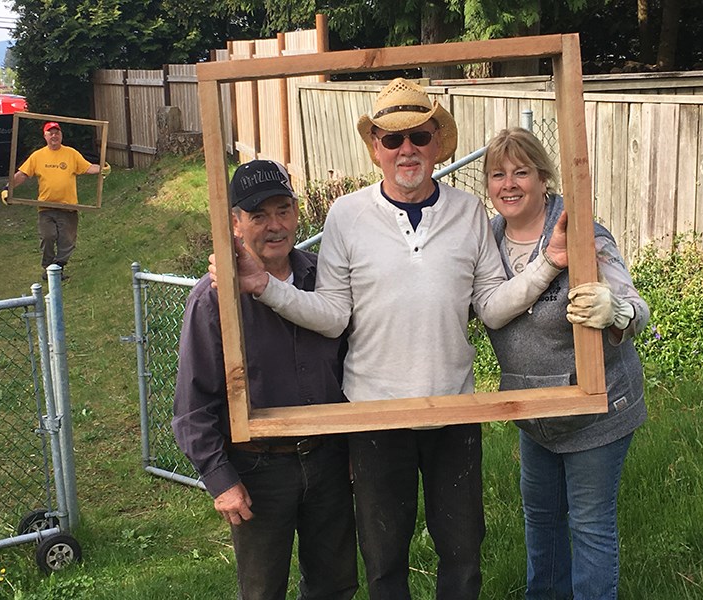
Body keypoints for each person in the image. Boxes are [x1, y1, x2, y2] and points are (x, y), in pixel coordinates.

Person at [209, 79, 567, 599]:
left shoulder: (468, 212)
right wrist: (263, 286)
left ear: (437, 143)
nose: (406, 150)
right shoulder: (347, 215)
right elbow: (333, 315)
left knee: (463, 552)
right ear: (374, 147)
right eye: (391, 139)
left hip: (452, 410)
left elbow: (490, 305)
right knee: (383, 559)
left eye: (419, 136)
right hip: (373, 412)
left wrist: (548, 266)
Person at [172, 160, 358, 600]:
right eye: (259, 215)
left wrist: (355, 445)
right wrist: (221, 478)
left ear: (296, 212)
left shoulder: (325, 279)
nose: (275, 226)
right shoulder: (212, 300)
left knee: (336, 584)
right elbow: (192, 407)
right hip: (257, 468)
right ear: (236, 223)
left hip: (329, 457)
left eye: (283, 210)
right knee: (261, 590)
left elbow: (354, 366)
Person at [482, 127, 649, 600]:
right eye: (498, 174)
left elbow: (636, 306)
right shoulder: (488, 238)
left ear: (544, 177)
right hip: (534, 412)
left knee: (591, 525)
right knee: (542, 521)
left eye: (521, 172)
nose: (509, 184)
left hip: (597, 410)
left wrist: (614, 310)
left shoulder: (582, 233)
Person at [0, 121, 110, 281]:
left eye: (57, 132)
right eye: (50, 133)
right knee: (48, 236)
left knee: (68, 241)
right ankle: (48, 267)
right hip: (46, 207)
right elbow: (22, 174)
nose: (54, 135)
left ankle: (57, 268)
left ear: (61, 135)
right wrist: (7, 188)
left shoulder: (71, 153)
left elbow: (86, 167)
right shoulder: (38, 156)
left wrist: (102, 169)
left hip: (68, 207)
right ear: (45, 136)